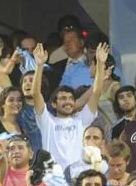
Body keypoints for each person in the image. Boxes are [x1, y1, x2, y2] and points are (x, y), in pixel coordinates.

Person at [32, 42, 108, 171]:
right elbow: (35, 93)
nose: (68, 102)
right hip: (53, 179)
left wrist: (100, 63)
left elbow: (96, 92)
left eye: (71, 98)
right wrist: (39, 66)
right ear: (54, 104)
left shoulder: (81, 120)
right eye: (63, 98)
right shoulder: (47, 121)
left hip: (76, 179)